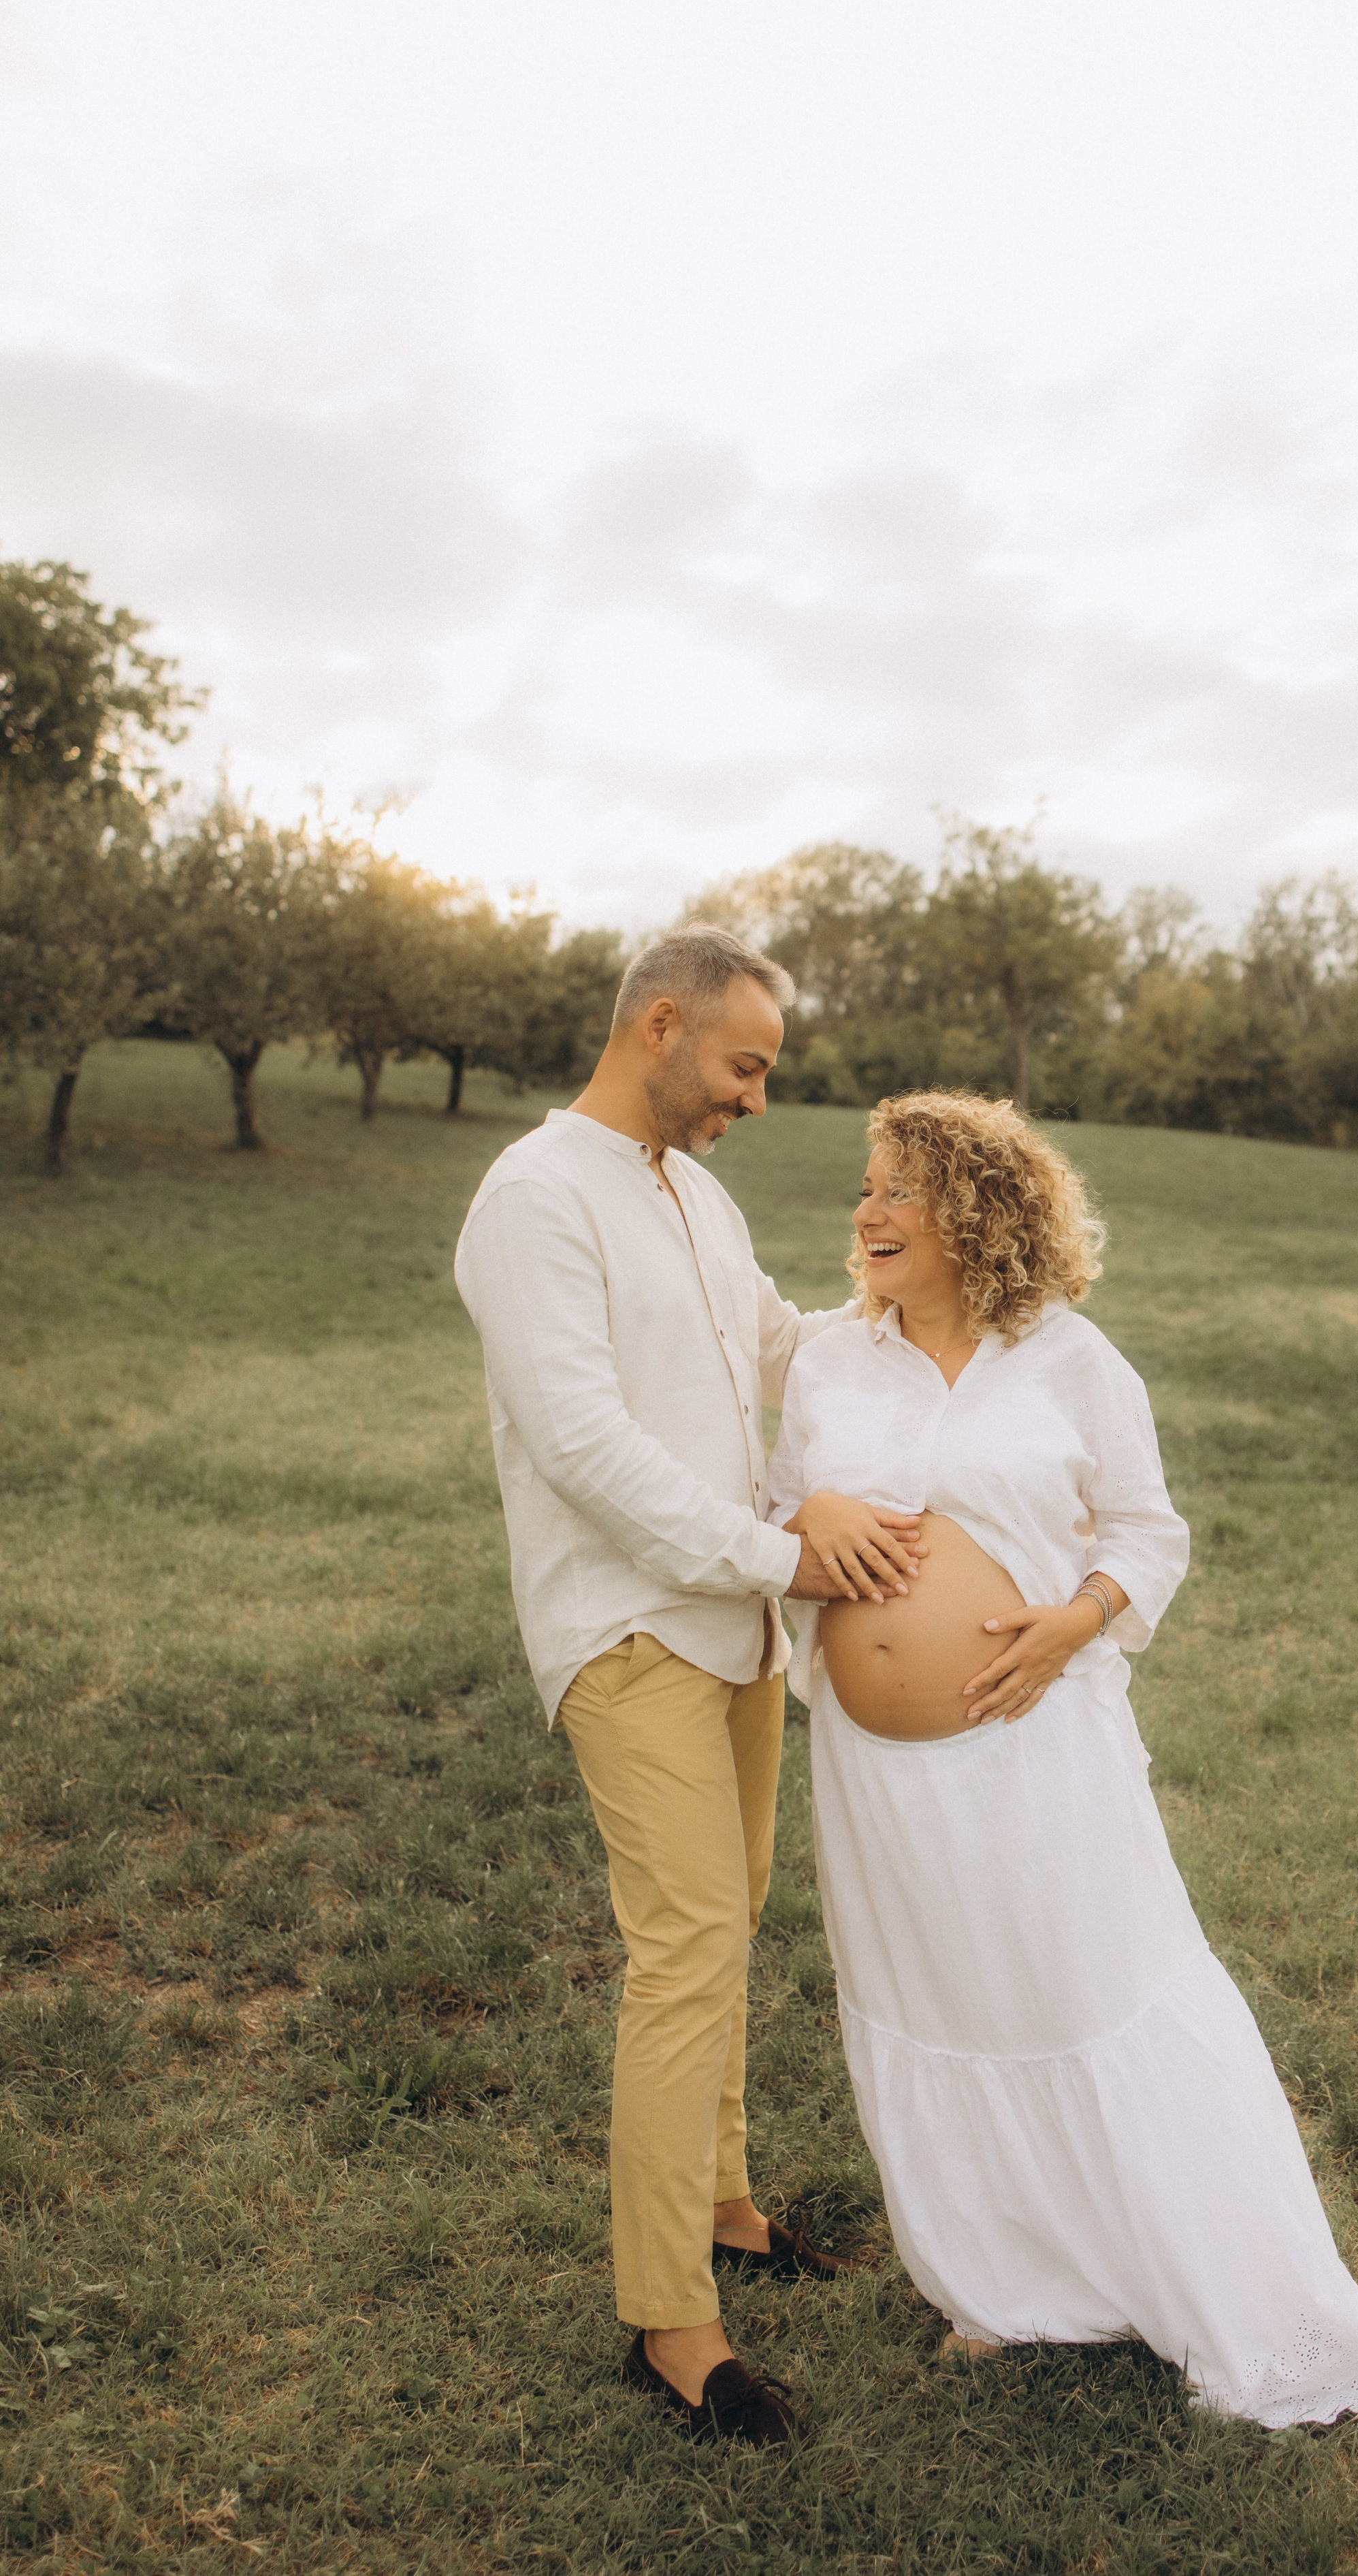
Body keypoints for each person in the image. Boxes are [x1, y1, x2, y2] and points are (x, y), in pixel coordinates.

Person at [769, 1090, 1358, 2428]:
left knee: (1078, 1992)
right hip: (874, 1771)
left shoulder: (1070, 1359)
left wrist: (1070, 1621)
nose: (867, 1212)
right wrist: (809, 1507)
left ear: (975, 1211)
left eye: (898, 1188)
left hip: (1035, 1743)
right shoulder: (832, 1359)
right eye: (865, 1187)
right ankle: (1000, 2284)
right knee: (937, 2002)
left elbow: (1145, 1530)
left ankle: (1189, 2270)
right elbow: (778, 1514)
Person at [454, 925, 923, 2449]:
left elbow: (773, 1347)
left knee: (731, 1919)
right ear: (658, 1025)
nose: (757, 1094)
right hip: (629, 1624)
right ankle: (670, 2317)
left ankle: (721, 2198)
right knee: (684, 1952)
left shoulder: (698, 1194)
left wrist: (919, 1291)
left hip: (734, 1620)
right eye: (744, 1062)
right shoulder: (531, 1199)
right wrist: (780, 1551)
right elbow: (584, 1446)